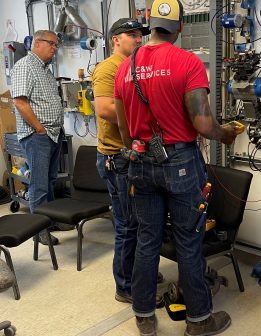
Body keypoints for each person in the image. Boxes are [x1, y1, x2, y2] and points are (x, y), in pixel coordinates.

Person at [114, 0, 238, 335]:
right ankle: (200, 321)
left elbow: (123, 124)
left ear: (148, 25)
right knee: (188, 241)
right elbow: (202, 123)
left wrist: (135, 148)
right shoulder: (188, 62)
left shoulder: (126, 67)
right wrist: (225, 135)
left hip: (140, 161)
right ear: (180, 27)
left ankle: (143, 316)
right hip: (180, 162)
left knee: (147, 239)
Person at [92, 18, 161, 305]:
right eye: (131, 35)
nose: (138, 39)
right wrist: (146, 117)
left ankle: (138, 272)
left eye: (140, 34)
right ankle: (126, 286)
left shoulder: (136, 68)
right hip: (116, 158)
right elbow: (107, 109)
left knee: (140, 221)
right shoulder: (108, 68)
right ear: (116, 40)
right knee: (127, 224)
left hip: (135, 154)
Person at [11, 30, 64, 246]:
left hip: (52, 133)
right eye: (51, 44)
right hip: (38, 135)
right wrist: (39, 128)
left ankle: (49, 221)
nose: (54, 48)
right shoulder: (25, 66)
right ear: (37, 43)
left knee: (50, 182)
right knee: (40, 185)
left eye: (56, 45)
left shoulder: (45, 69)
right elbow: (20, 102)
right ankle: (39, 230)